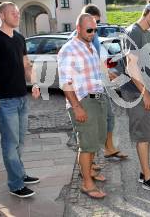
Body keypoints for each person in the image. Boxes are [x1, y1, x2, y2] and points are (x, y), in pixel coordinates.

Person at [0, 2, 40, 198]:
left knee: (20, 141)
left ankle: (19, 173)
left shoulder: (20, 38)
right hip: (5, 101)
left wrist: (35, 83)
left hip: (22, 97)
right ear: (2, 16)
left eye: (18, 13)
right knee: (10, 143)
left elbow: (27, 65)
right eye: (12, 13)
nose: (17, 15)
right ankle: (15, 184)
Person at [58, 13, 108, 199]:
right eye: (89, 30)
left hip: (97, 98)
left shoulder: (90, 47)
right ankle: (87, 184)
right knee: (86, 145)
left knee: (96, 139)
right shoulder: (69, 49)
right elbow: (66, 82)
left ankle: (89, 172)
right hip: (82, 101)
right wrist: (77, 107)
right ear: (78, 28)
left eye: (95, 29)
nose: (93, 33)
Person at [120, 2, 150, 193]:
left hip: (147, 89)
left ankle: (145, 171)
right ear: (149, 13)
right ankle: (147, 178)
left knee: (147, 134)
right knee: (142, 135)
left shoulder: (149, 34)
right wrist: (145, 93)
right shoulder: (133, 32)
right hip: (135, 91)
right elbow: (131, 67)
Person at [79, 4, 128, 162]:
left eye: (97, 24)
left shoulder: (94, 38)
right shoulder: (78, 39)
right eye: (93, 24)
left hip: (99, 86)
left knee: (108, 118)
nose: (95, 28)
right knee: (90, 126)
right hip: (87, 91)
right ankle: (89, 165)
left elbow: (97, 60)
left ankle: (109, 148)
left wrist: (107, 73)